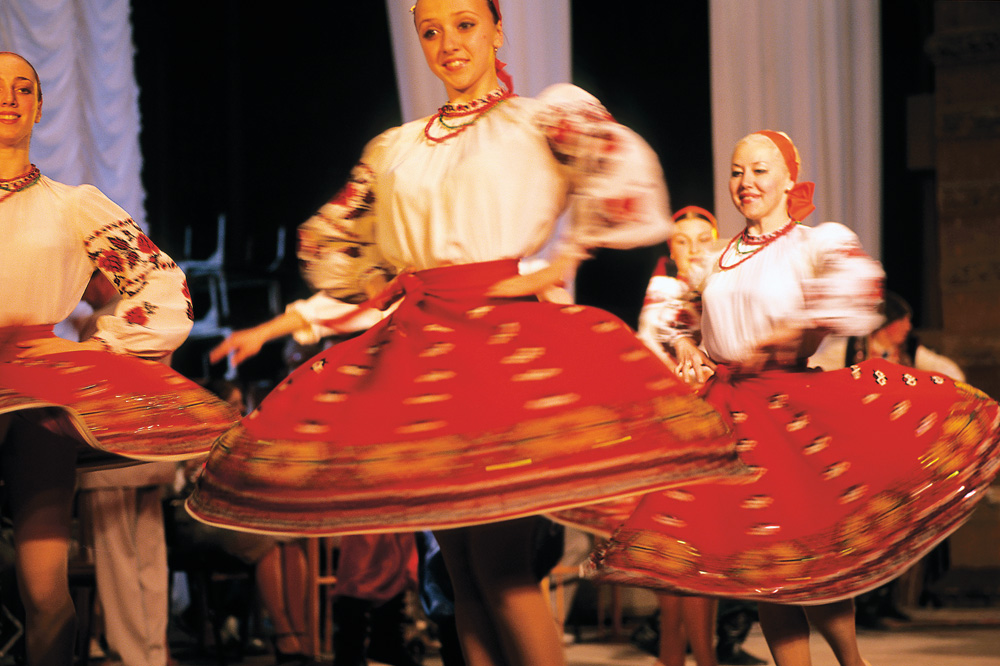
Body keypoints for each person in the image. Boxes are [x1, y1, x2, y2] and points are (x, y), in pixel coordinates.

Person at [187, 2, 746, 665]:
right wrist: (375, 285)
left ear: (496, 30)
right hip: (422, 347)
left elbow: (620, 171)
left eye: (464, 24)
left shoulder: (534, 123)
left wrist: (566, 257)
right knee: (465, 578)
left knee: (505, 571)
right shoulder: (394, 149)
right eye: (430, 30)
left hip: (500, 343)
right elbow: (329, 235)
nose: (448, 42)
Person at [589, 130, 1000, 666]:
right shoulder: (717, 257)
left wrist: (798, 330)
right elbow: (683, 315)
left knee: (814, 550)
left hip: (792, 404)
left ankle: (852, 659)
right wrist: (689, 345)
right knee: (767, 562)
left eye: (760, 170)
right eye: (737, 172)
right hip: (730, 410)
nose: (746, 182)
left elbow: (852, 290)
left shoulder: (812, 244)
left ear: (788, 177)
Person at [0, 51, 237, 666]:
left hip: (37, 388)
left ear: (40, 106)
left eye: (23, 87)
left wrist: (99, 353)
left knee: (44, 586)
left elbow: (161, 282)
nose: (9, 97)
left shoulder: (72, 205)